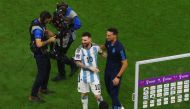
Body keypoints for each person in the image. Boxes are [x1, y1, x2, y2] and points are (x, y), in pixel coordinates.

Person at [74, 32, 108, 109]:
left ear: (90, 39)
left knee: (98, 97)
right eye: (82, 40)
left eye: (85, 40)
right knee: (84, 94)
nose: (83, 42)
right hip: (83, 76)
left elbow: (103, 54)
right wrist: (90, 68)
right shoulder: (79, 49)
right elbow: (77, 63)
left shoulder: (96, 47)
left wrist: (107, 51)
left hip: (94, 76)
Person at [29, 11, 56, 102]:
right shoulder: (37, 29)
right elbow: (39, 44)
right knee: (41, 74)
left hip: (43, 52)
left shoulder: (39, 21)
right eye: (48, 20)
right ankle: (33, 95)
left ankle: (43, 88)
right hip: (39, 53)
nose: (49, 22)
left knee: (48, 68)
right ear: (44, 19)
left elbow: (43, 31)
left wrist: (46, 32)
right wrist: (50, 40)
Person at [51, 1, 81, 81]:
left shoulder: (71, 13)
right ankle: (73, 64)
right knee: (58, 54)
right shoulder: (59, 10)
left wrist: (69, 28)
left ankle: (62, 74)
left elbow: (78, 24)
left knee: (59, 55)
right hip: (61, 35)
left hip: (68, 37)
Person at [101, 28, 128, 109]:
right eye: (106, 35)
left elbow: (125, 64)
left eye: (109, 35)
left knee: (113, 93)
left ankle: (118, 107)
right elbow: (104, 47)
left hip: (115, 73)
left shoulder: (120, 48)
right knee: (109, 90)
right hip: (107, 71)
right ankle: (119, 106)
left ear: (115, 35)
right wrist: (97, 48)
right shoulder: (108, 42)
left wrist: (118, 77)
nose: (107, 37)